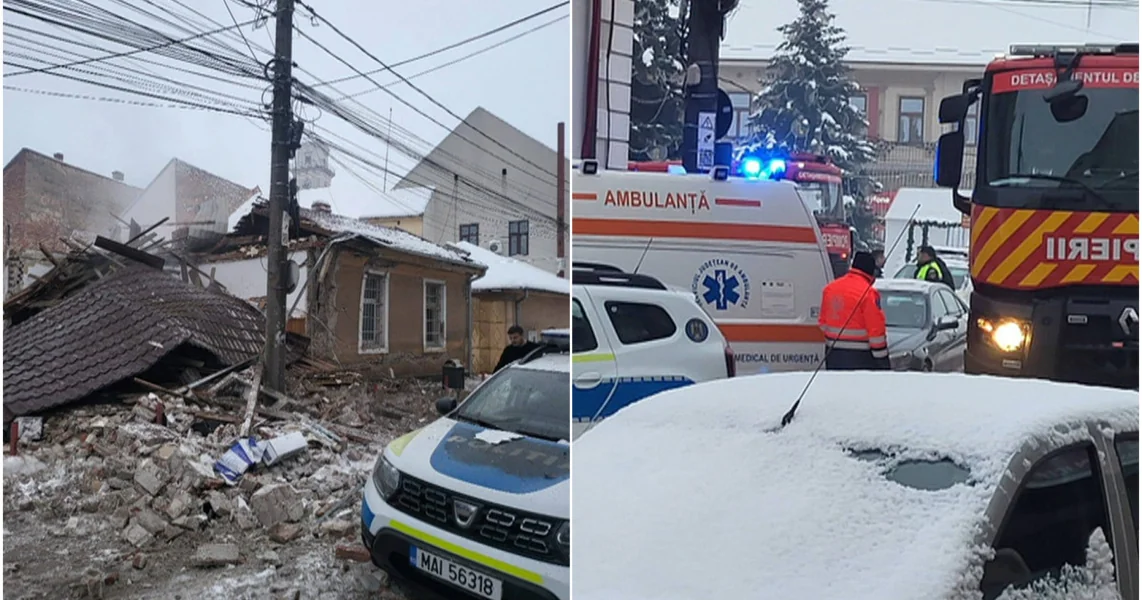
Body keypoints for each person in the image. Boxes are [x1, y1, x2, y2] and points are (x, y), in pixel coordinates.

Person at [818, 251, 890, 370]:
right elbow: (876, 331)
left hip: (833, 354)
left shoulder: (830, 289)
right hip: (861, 357)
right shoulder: (869, 293)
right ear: (870, 271)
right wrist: (882, 362)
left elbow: (823, 323)